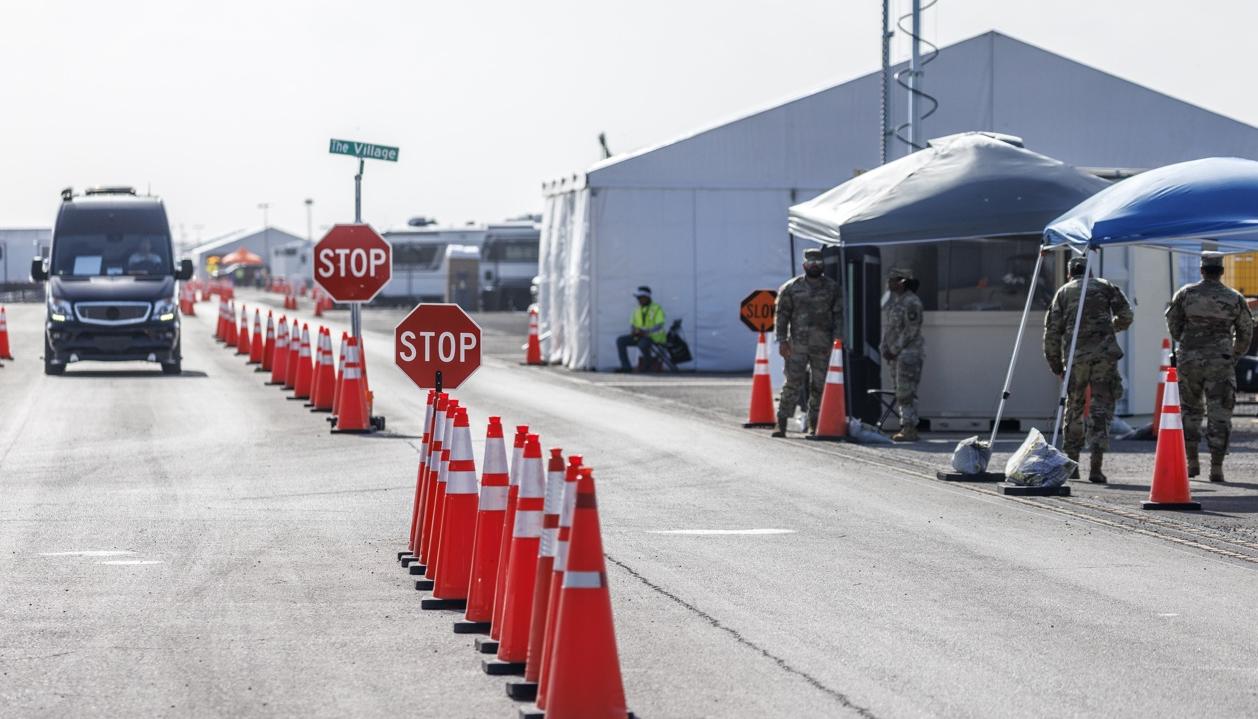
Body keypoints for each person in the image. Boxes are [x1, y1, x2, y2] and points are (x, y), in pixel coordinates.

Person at [1042, 255, 1134, 483]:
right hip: (1104, 357)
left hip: (1077, 357)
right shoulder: (1106, 286)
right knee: (1101, 408)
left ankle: (1072, 465)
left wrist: (1055, 363)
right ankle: (1096, 467)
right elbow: (1126, 315)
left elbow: (1052, 331)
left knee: (1074, 408)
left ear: (1070, 273)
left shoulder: (1063, 292)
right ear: (1090, 272)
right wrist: (1109, 329)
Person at [1166, 251, 1254, 482]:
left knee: (1190, 410)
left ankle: (1192, 462)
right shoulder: (1234, 297)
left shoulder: (1186, 293)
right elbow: (1246, 331)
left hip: (1190, 360)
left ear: (1202, 270)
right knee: (1220, 414)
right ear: (1222, 271)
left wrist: (1186, 342)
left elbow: (1173, 324)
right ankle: (1216, 467)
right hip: (1220, 362)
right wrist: (1234, 353)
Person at [772, 248, 843, 437]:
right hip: (797, 345)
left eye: (818, 264)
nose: (814, 266)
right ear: (804, 265)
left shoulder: (832, 288)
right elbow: (781, 316)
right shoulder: (791, 287)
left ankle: (814, 425)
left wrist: (837, 342)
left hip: (823, 346)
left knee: (819, 385)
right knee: (792, 383)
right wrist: (781, 341)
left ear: (823, 266)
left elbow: (838, 316)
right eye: (811, 263)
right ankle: (782, 423)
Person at [882, 268, 925, 442]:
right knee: (901, 391)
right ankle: (907, 425)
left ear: (901, 282)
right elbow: (891, 328)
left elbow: (911, 330)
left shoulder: (911, 302)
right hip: (898, 356)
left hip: (908, 354)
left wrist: (894, 349)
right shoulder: (897, 302)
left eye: (892, 280)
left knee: (905, 392)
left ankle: (909, 428)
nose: (889, 284)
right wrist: (885, 347)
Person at [615, 286, 666, 373]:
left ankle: (648, 366)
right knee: (621, 340)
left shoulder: (657, 308)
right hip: (639, 336)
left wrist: (646, 332)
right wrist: (634, 331)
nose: (639, 300)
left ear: (647, 297)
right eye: (638, 298)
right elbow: (633, 325)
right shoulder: (637, 310)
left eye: (640, 297)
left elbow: (659, 325)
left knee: (642, 344)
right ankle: (626, 367)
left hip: (653, 337)